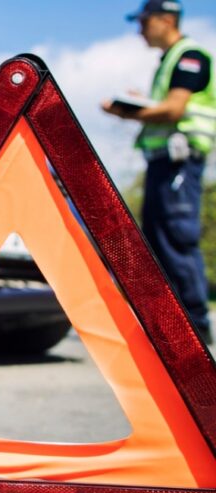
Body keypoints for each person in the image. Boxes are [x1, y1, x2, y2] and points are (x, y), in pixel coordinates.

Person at [103, 0, 216, 344]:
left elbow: (174, 109)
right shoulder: (169, 61)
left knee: (177, 238)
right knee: (156, 239)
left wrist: (127, 112)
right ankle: (169, 324)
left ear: (166, 19)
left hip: (179, 162)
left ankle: (195, 327)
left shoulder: (189, 56)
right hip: (162, 163)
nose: (140, 29)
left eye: (145, 22)